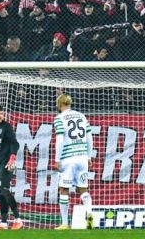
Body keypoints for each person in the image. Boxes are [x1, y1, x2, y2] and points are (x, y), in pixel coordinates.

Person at [52, 94, 93, 230]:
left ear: (59, 105)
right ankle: (90, 218)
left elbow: (60, 140)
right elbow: (89, 137)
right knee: (83, 189)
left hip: (68, 159)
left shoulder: (59, 118)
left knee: (64, 189)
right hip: (82, 157)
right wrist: (89, 156)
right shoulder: (82, 116)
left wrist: (57, 160)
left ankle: (65, 223)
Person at [0, 104, 22, 230]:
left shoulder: (7, 127)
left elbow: (15, 143)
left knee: (5, 190)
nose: (1, 116)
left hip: (7, 164)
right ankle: (3, 223)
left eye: (2, 114)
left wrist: (12, 158)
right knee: (0, 193)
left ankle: (18, 220)